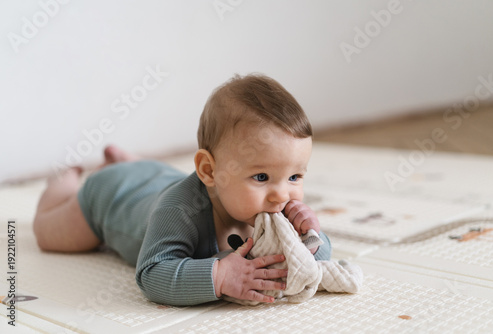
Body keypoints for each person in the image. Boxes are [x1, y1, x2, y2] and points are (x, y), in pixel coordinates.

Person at [33, 73, 332, 306]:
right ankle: (64, 183)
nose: (282, 196)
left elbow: (313, 260)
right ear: (208, 171)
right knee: (48, 233)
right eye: (262, 176)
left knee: (163, 177)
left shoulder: (263, 203)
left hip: (161, 176)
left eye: (294, 177)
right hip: (114, 196)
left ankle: (129, 161)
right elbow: (151, 274)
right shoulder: (178, 211)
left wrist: (310, 238)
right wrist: (220, 276)